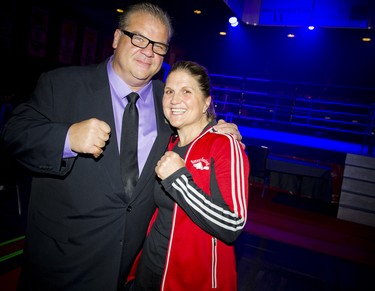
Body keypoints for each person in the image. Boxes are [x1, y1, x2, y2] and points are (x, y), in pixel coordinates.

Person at [0, 3, 243, 291]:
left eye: (159, 46)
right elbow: (13, 132)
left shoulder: (165, 100)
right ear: (116, 38)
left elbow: (191, 124)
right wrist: (67, 138)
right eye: (138, 38)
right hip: (61, 264)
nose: (148, 51)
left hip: (126, 270)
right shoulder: (63, 83)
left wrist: (214, 126)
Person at [130, 61, 250, 290]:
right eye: (169, 91)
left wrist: (179, 179)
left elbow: (232, 224)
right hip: (149, 269)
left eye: (186, 91)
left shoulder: (224, 144)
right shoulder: (167, 143)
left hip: (191, 281)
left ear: (206, 102)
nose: (175, 100)